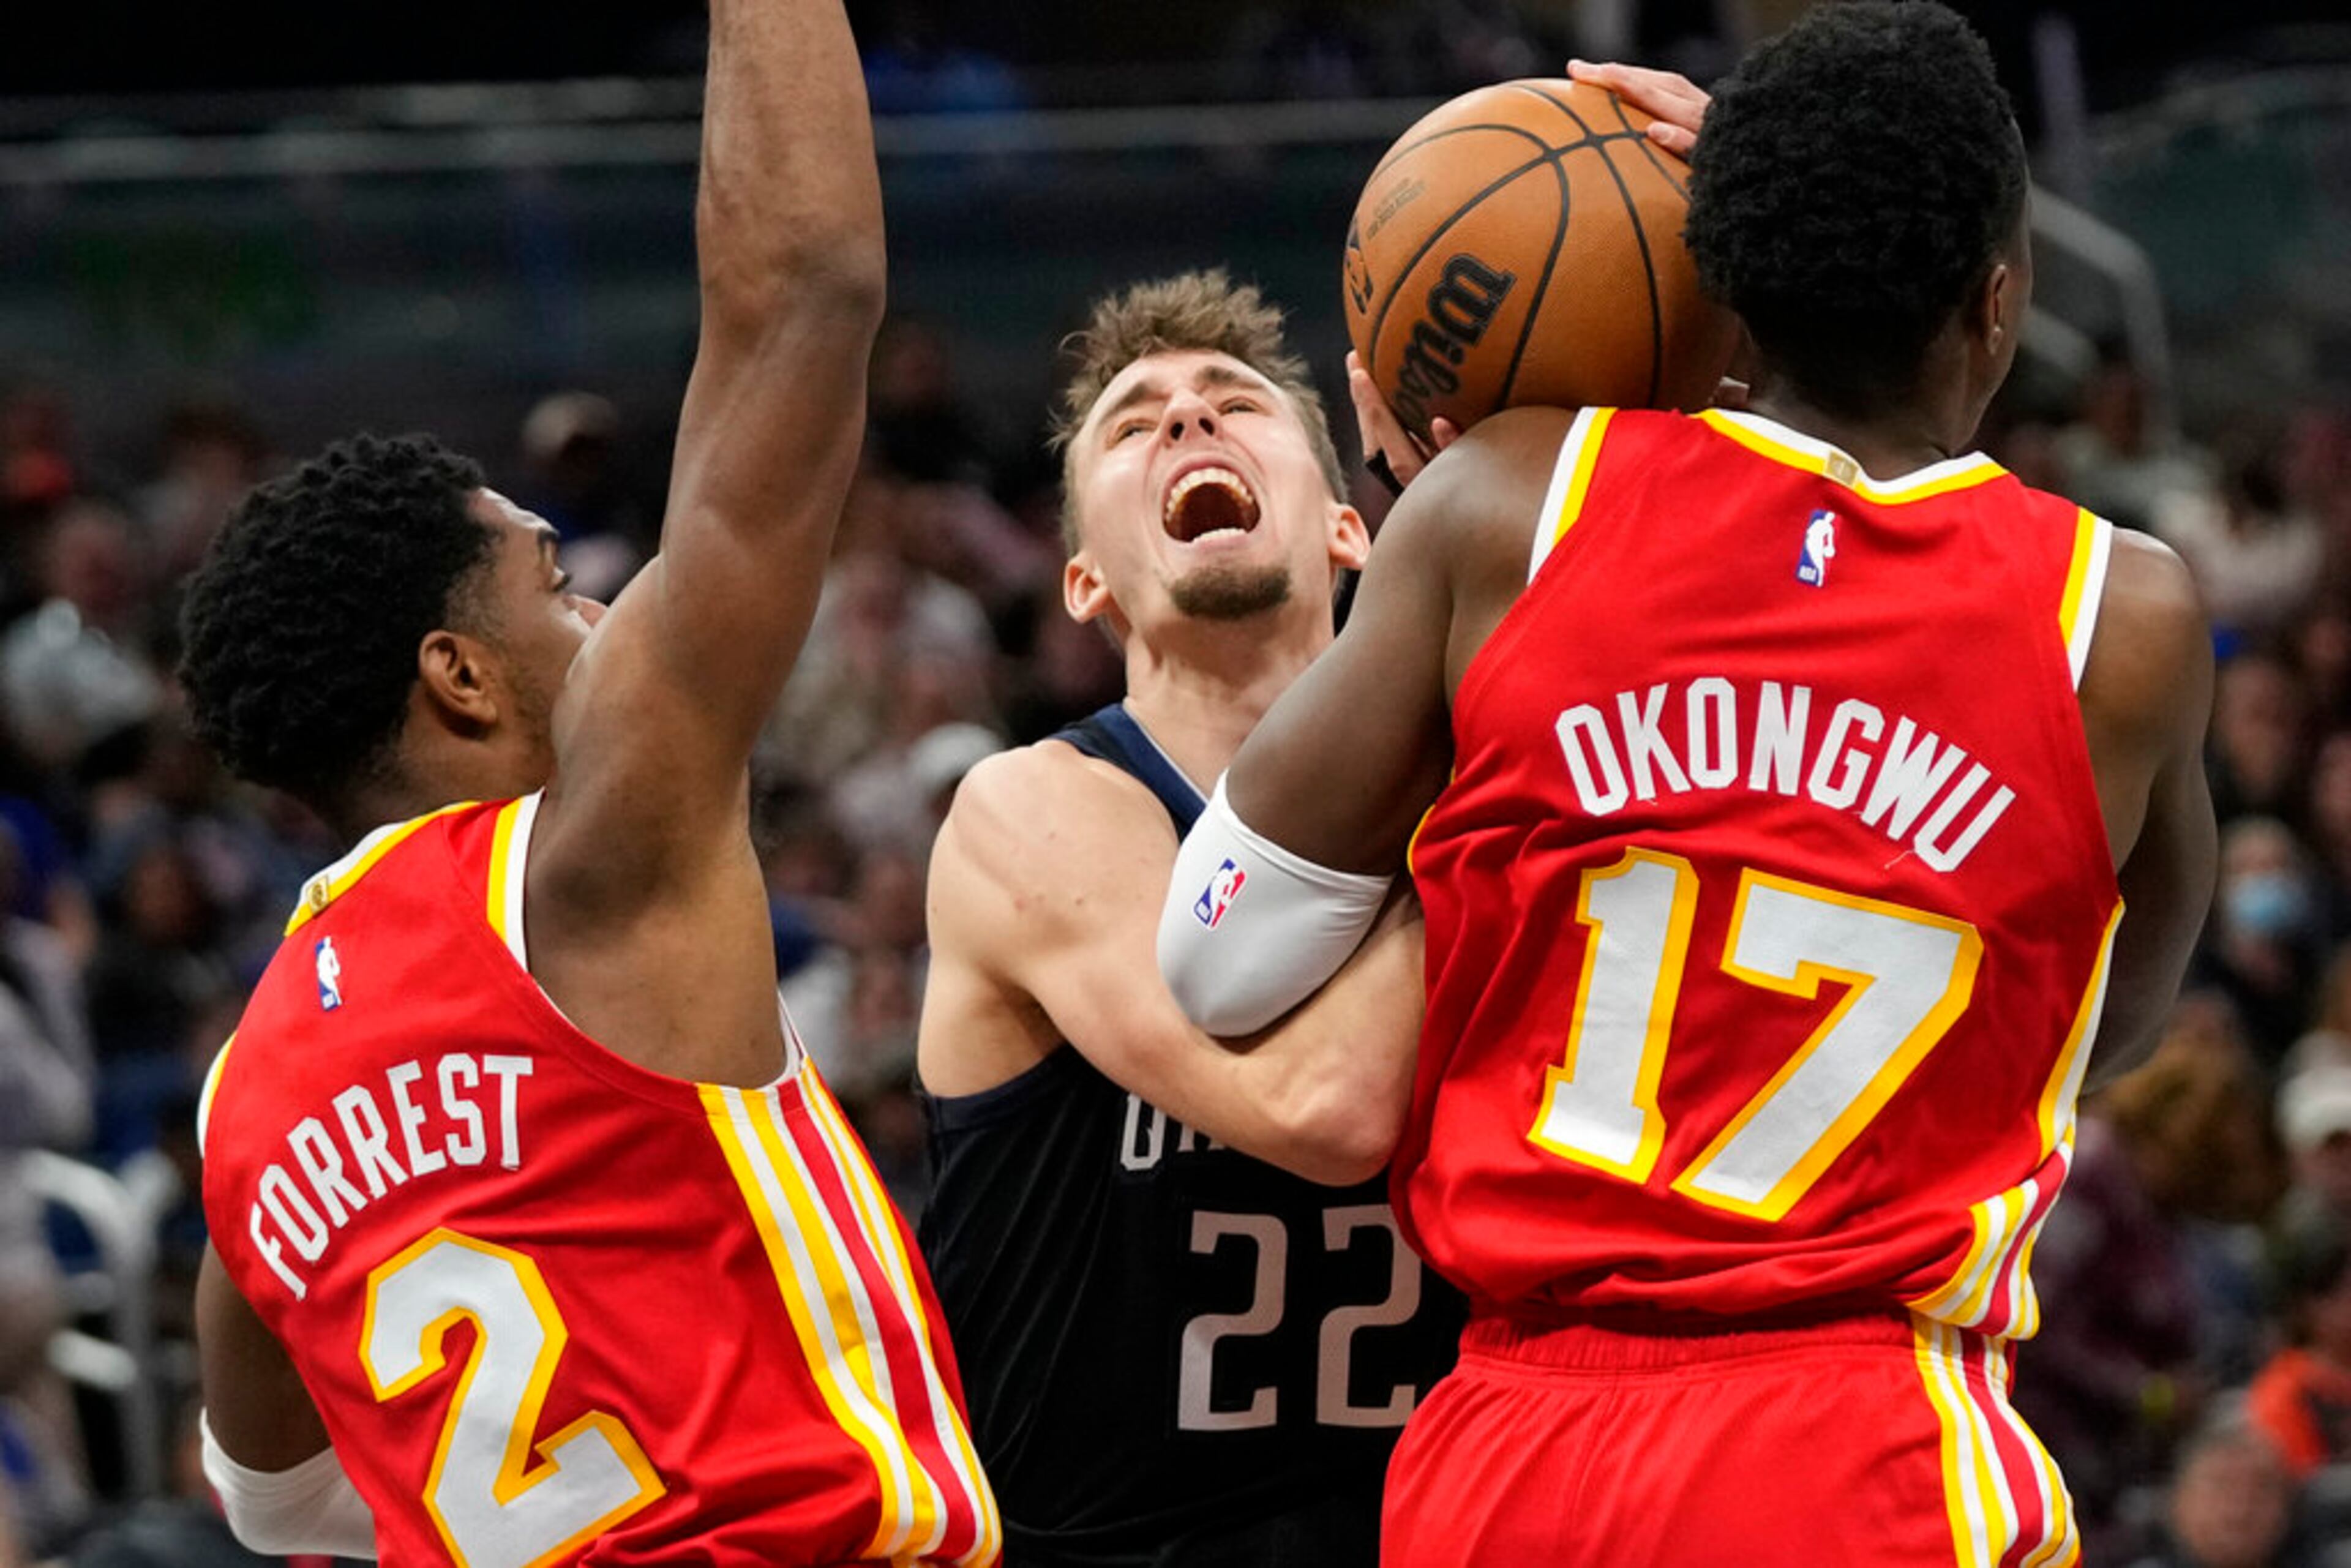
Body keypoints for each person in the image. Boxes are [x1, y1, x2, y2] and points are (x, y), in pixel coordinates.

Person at [1158, 6, 2216, 1564]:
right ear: (2000, 301)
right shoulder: (2120, 623)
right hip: (1867, 1458)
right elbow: (2102, 1029)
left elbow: (1217, 960)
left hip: (1514, 1463)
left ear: (1723, 279)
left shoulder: (1509, 508)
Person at [178, 1, 1001, 1561]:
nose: (609, 614)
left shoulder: (242, 1109)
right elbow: (804, 296)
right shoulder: (590, 859)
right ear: (460, 676)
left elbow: (273, 1501)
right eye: (558, 586)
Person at [913, 270, 1466, 1566]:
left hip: (1432, 1523)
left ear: (1348, 529)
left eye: (1235, 402)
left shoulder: (1491, 770)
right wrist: (1486, 770)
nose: (1186, 420)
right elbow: (1322, 1111)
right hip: (1122, 1546)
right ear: (1085, 582)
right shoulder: (1031, 811)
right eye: (1133, 422)